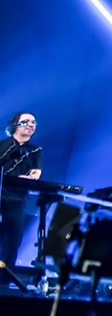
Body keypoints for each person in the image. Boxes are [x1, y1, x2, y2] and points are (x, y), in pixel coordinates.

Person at [1, 112, 43, 277]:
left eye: (34, 122)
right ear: (14, 125)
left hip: (16, 199)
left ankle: (5, 278)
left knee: (13, 239)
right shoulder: (3, 145)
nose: (31, 125)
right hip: (0, 194)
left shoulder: (35, 151)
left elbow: (36, 173)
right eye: (26, 122)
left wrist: (29, 177)